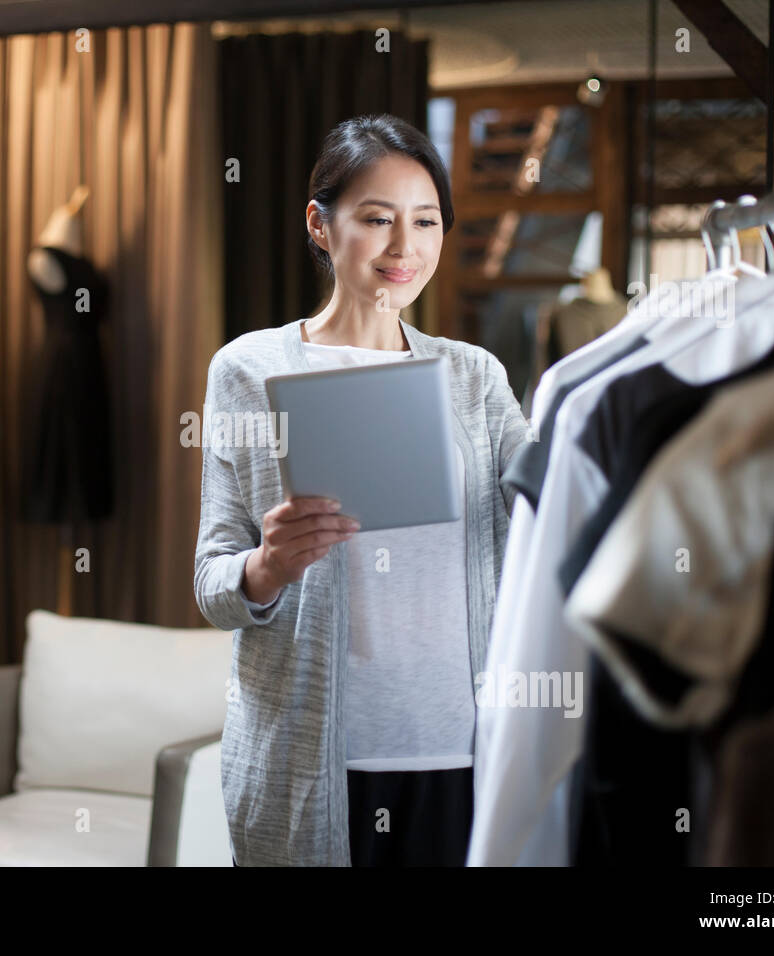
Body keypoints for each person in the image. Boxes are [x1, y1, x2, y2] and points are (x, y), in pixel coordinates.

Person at [195, 113, 530, 866]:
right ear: (320, 224)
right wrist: (268, 566)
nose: (404, 248)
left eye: (425, 221)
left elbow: (548, 483)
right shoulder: (249, 371)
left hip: (462, 751)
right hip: (307, 756)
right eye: (376, 220)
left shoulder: (474, 377)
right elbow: (213, 584)